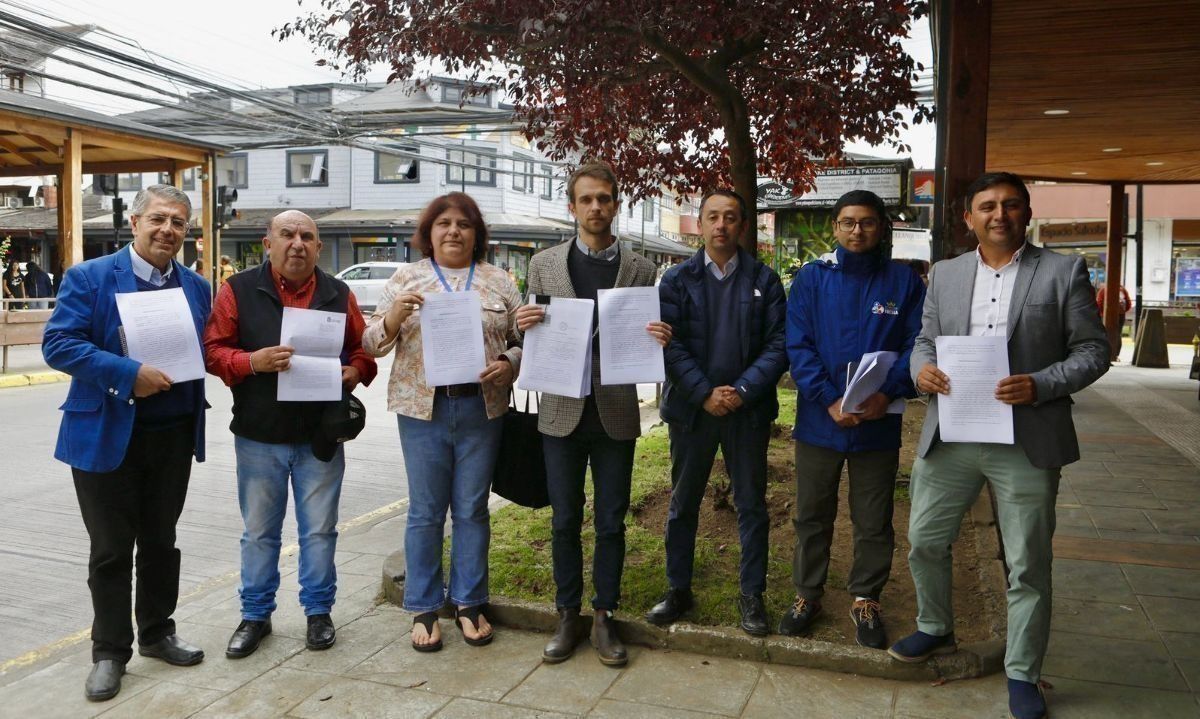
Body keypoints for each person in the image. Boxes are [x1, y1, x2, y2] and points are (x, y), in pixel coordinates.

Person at [888, 172, 1109, 719]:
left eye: (1011, 205)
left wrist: (1041, 384)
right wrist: (923, 371)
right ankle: (935, 626)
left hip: (1026, 437)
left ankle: (1022, 672)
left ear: (1026, 213)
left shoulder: (1063, 271)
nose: (999, 215)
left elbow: (1092, 351)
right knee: (924, 541)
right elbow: (923, 340)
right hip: (954, 434)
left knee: (1027, 562)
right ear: (969, 218)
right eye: (987, 206)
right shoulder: (945, 274)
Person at [42, 184, 211, 702]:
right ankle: (110, 652)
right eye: (158, 219)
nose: (168, 230)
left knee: (162, 542)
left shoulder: (197, 287)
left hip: (172, 434)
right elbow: (58, 343)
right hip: (105, 435)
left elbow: (212, 347)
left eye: (179, 223)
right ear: (134, 222)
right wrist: (126, 372)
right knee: (111, 551)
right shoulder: (90, 278)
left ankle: (158, 633)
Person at [515, 161, 671, 667]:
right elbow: (528, 333)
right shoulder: (544, 264)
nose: (596, 208)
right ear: (572, 206)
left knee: (610, 521)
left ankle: (603, 615)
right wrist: (523, 322)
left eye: (604, 199)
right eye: (586, 199)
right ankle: (567, 614)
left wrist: (662, 340)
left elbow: (649, 336)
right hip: (560, 410)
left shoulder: (643, 268)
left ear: (615, 204)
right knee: (564, 519)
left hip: (616, 412)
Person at [203, 210, 378, 659]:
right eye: (287, 234)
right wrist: (251, 362)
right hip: (259, 436)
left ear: (319, 248)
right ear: (268, 243)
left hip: (320, 436)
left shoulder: (340, 293)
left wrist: (353, 371)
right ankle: (255, 616)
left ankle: (318, 612)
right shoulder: (237, 289)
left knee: (320, 531)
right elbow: (213, 350)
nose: (297, 243)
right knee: (259, 532)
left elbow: (363, 351)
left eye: (307, 236)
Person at [362, 193, 522, 652]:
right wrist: (393, 316)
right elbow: (372, 344)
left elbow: (522, 338)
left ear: (477, 234)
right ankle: (424, 605)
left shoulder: (498, 281)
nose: (454, 231)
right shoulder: (406, 278)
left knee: (472, 508)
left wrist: (510, 362)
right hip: (422, 409)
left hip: (482, 408)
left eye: (464, 224)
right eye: (444, 224)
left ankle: (470, 602)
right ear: (429, 232)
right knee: (425, 510)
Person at [780, 190, 925, 648]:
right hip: (820, 420)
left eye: (865, 222)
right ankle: (807, 593)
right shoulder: (811, 279)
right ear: (835, 228)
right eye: (847, 222)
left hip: (878, 420)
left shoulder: (904, 283)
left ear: (881, 227)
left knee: (873, 518)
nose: (856, 230)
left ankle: (866, 597)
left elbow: (917, 344)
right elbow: (797, 345)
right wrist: (827, 399)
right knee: (812, 514)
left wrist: (890, 392)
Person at [647, 189, 787, 636]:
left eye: (730, 217)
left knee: (751, 505)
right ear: (701, 223)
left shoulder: (765, 279)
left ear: (742, 225)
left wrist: (742, 391)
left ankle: (751, 594)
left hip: (747, 412)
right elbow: (670, 345)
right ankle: (678, 589)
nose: (721, 225)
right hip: (693, 411)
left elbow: (779, 345)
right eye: (712, 217)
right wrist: (705, 393)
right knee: (683, 503)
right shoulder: (675, 281)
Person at [1095, 282, 1131, 361]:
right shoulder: (1122, 290)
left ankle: (1106, 354)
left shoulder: (1103, 290)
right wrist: (1122, 312)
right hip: (1120, 315)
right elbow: (1128, 303)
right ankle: (1116, 355)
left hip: (1106, 315)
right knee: (1118, 334)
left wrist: (1102, 314)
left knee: (1106, 334)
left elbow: (1099, 303)